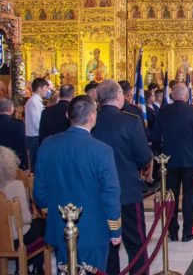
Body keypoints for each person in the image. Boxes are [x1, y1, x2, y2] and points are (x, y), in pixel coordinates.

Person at [34, 95, 121, 271]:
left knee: (65, 270)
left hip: (61, 226)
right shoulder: (102, 150)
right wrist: (115, 229)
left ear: (68, 115)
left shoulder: (48, 144)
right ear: (92, 116)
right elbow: (110, 193)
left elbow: (40, 190)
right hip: (94, 229)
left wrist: (52, 212)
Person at [93, 80, 153, 275]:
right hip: (127, 191)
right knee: (136, 242)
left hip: (99, 193)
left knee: (107, 244)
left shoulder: (91, 122)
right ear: (118, 96)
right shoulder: (131, 121)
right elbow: (144, 157)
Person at [151, 83, 193, 242]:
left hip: (169, 162)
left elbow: (155, 137)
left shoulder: (163, 111)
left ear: (172, 96)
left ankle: (172, 232)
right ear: (187, 96)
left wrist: (161, 154)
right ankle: (188, 232)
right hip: (190, 161)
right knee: (189, 197)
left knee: (171, 196)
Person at [0, 146, 46, 273]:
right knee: (43, 224)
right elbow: (26, 219)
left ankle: (27, 266)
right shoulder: (16, 185)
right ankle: (36, 266)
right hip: (16, 239)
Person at [25, 78, 49, 171]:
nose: (47, 90)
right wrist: (44, 133)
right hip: (35, 136)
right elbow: (37, 122)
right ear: (39, 88)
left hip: (35, 135)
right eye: (46, 87)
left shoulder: (35, 101)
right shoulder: (34, 102)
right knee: (36, 162)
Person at [0, 99, 28, 169]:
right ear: (11, 109)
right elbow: (22, 146)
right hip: (12, 162)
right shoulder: (18, 125)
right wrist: (24, 165)